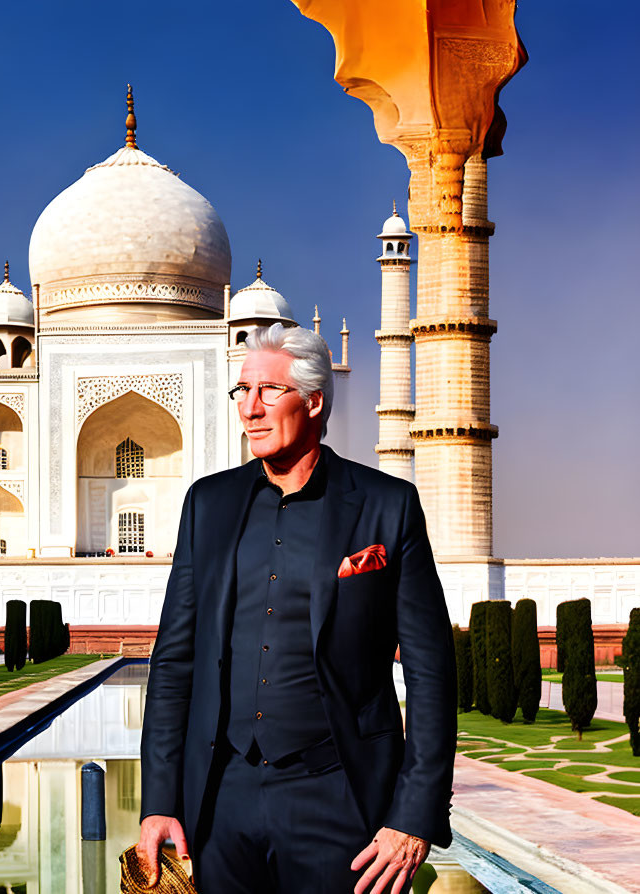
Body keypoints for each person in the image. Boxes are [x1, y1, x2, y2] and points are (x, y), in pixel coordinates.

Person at [138, 323, 456, 894]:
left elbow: (432, 673)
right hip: (221, 798)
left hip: (337, 796)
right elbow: (174, 663)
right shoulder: (208, 505)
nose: (250, 410)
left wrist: (413, 814)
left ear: (313, 401)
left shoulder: (386, 506)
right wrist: (158, 802)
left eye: (268, 392)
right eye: (242, 392)